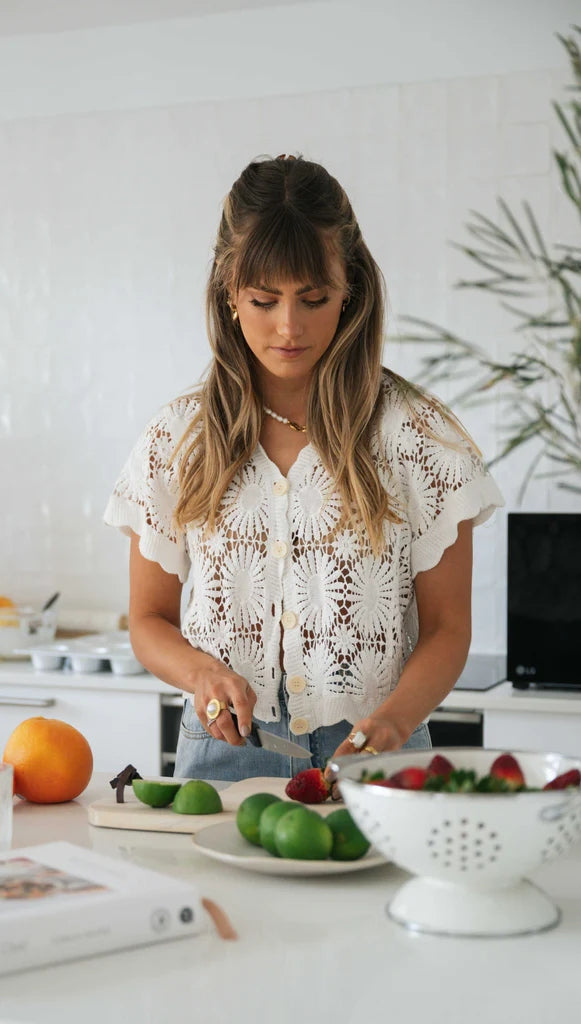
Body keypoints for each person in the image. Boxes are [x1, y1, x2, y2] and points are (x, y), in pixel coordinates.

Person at [104, 154, 503, 783]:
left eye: (313, 299)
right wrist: (201, 674)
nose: (288, 327)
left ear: (351, 291)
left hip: (379, 752)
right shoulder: (176, 439)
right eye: (264, 300)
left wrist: (395, 722)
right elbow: (149, 620)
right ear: (228, 292)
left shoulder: (420, 438)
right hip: (221, 750)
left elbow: (449, 628)